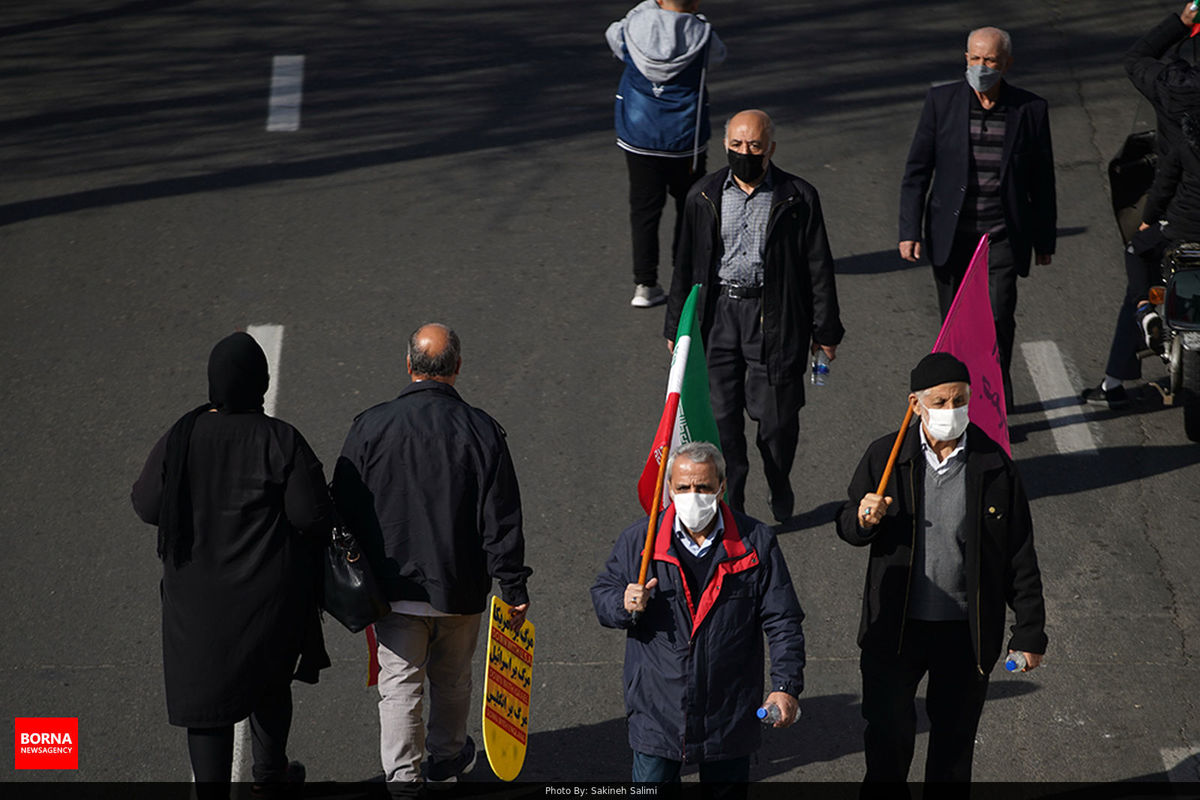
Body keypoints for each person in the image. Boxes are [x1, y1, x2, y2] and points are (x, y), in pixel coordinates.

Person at [331, 323, 532, 796]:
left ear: (409, 366)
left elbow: (341, 508)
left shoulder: (370, 427)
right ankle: (445, 760)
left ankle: (403, 778)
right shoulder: (481, 429)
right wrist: (513, 587)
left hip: (392, 590)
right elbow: (500, 517)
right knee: (453, 678)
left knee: (400, 683)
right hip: (459, 586)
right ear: (457, 368)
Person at [131, 331, 330, 799]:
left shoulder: (182, 436)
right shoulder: (279, 439)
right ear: (260, 383)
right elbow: (310, 515)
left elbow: (146, 505)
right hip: (266, 601)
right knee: (269, 686)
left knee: (208, 709)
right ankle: (270, 776)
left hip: (195, 605)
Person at [836, 353, 1047, 791]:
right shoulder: (886, 456)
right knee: (888, 739)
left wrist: (1029, 631)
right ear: (915, 404)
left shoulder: (994, 465)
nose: (951, 410)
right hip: (895, 631)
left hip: (964, 634)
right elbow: (849, 526)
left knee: (953, 749)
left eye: (959, 400)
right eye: (940, 401)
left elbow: (1019, 553)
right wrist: (862, 520)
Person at [664, 109, 844, 522]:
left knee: (777, 422)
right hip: (719, 317)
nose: (745, 153)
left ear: (771, 149)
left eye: (755, 146)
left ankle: (780, 480)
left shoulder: (798, 197)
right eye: (737, 145)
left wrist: (826, 332)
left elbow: (819, 267)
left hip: (774, 318)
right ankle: (735, 505)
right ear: (726, 145)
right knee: (722, 422)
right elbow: (685, 265)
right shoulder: (703, 195)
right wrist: (676, 327)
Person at [591, 441, 806, 784]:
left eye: (703, 487)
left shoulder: (757, 541)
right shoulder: (640, 542)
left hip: (729, 715)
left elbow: (783, 620)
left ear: (722, 487)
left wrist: (785, 685)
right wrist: (623, 603)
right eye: (683, 487)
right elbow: (603, 595)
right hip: (657, 714)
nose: (693, 495)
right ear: (669, 489)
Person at [899, 27, 1056, 412]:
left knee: (998, 321)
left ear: (1006, 64)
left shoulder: (1029, 110)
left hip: (1001, 237)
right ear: (965, 58)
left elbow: (1042, 180)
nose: (981, 67)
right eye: (974, 59)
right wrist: (909, 231)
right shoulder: (942, 102)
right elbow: (918, 170)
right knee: (954, 330)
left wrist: (1044, 240)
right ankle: (957, 405)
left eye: (989, 61)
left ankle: (995, 404)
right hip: (952, 235)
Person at [1084, 2, 1200, 409]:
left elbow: (1137, 57)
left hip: (1178, 209)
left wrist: (1180, 22)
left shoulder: (1171, 86)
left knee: (1142, 264)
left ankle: (1116, 376)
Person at [607, 0, 726, 308]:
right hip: (685, 137)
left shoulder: (633, 26)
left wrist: (646, 8)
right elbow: (719, 57)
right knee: (689, 206)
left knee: (644, 209)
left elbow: (614, 38)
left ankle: (645, 283)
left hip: (639, 133)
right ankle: (684, 280)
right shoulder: (702, 34)